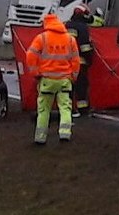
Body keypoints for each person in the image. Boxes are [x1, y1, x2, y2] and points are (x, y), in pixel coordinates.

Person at [25, 13, 81, 144]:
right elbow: (76, 60)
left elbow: (30, 56)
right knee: (65, 108)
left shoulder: (42, 38)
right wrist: (73, 76)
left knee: (44, 110)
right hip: (64, 80)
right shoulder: (70, 39)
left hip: (47, 80)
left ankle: (40, 137)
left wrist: (35, 73)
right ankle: (65, 134)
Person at [64, 3, 95, 116]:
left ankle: (68, 109)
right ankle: (83, 109)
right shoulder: (82, 27)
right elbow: (84, 47)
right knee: (81, 86)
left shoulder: (66, 25)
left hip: (65, 62)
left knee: (68, 87)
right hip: (79, 62)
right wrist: (90, 59)